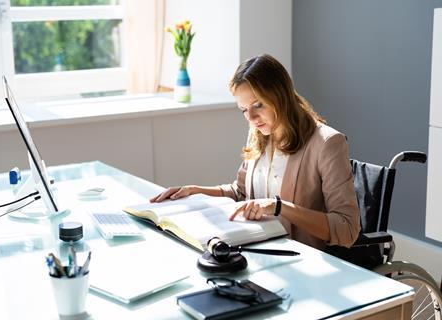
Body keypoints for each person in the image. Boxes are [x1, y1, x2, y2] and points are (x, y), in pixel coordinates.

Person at [150, 54, 360, 250]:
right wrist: (196, 190)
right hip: (255, 250)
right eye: (243, 109)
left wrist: (279, 207)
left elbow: (347, 228)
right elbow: (242, 193)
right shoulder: (259, 132)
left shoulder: (327, 143)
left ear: (281, 95)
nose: (250, 117)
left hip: (300, 259)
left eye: (258, 105)